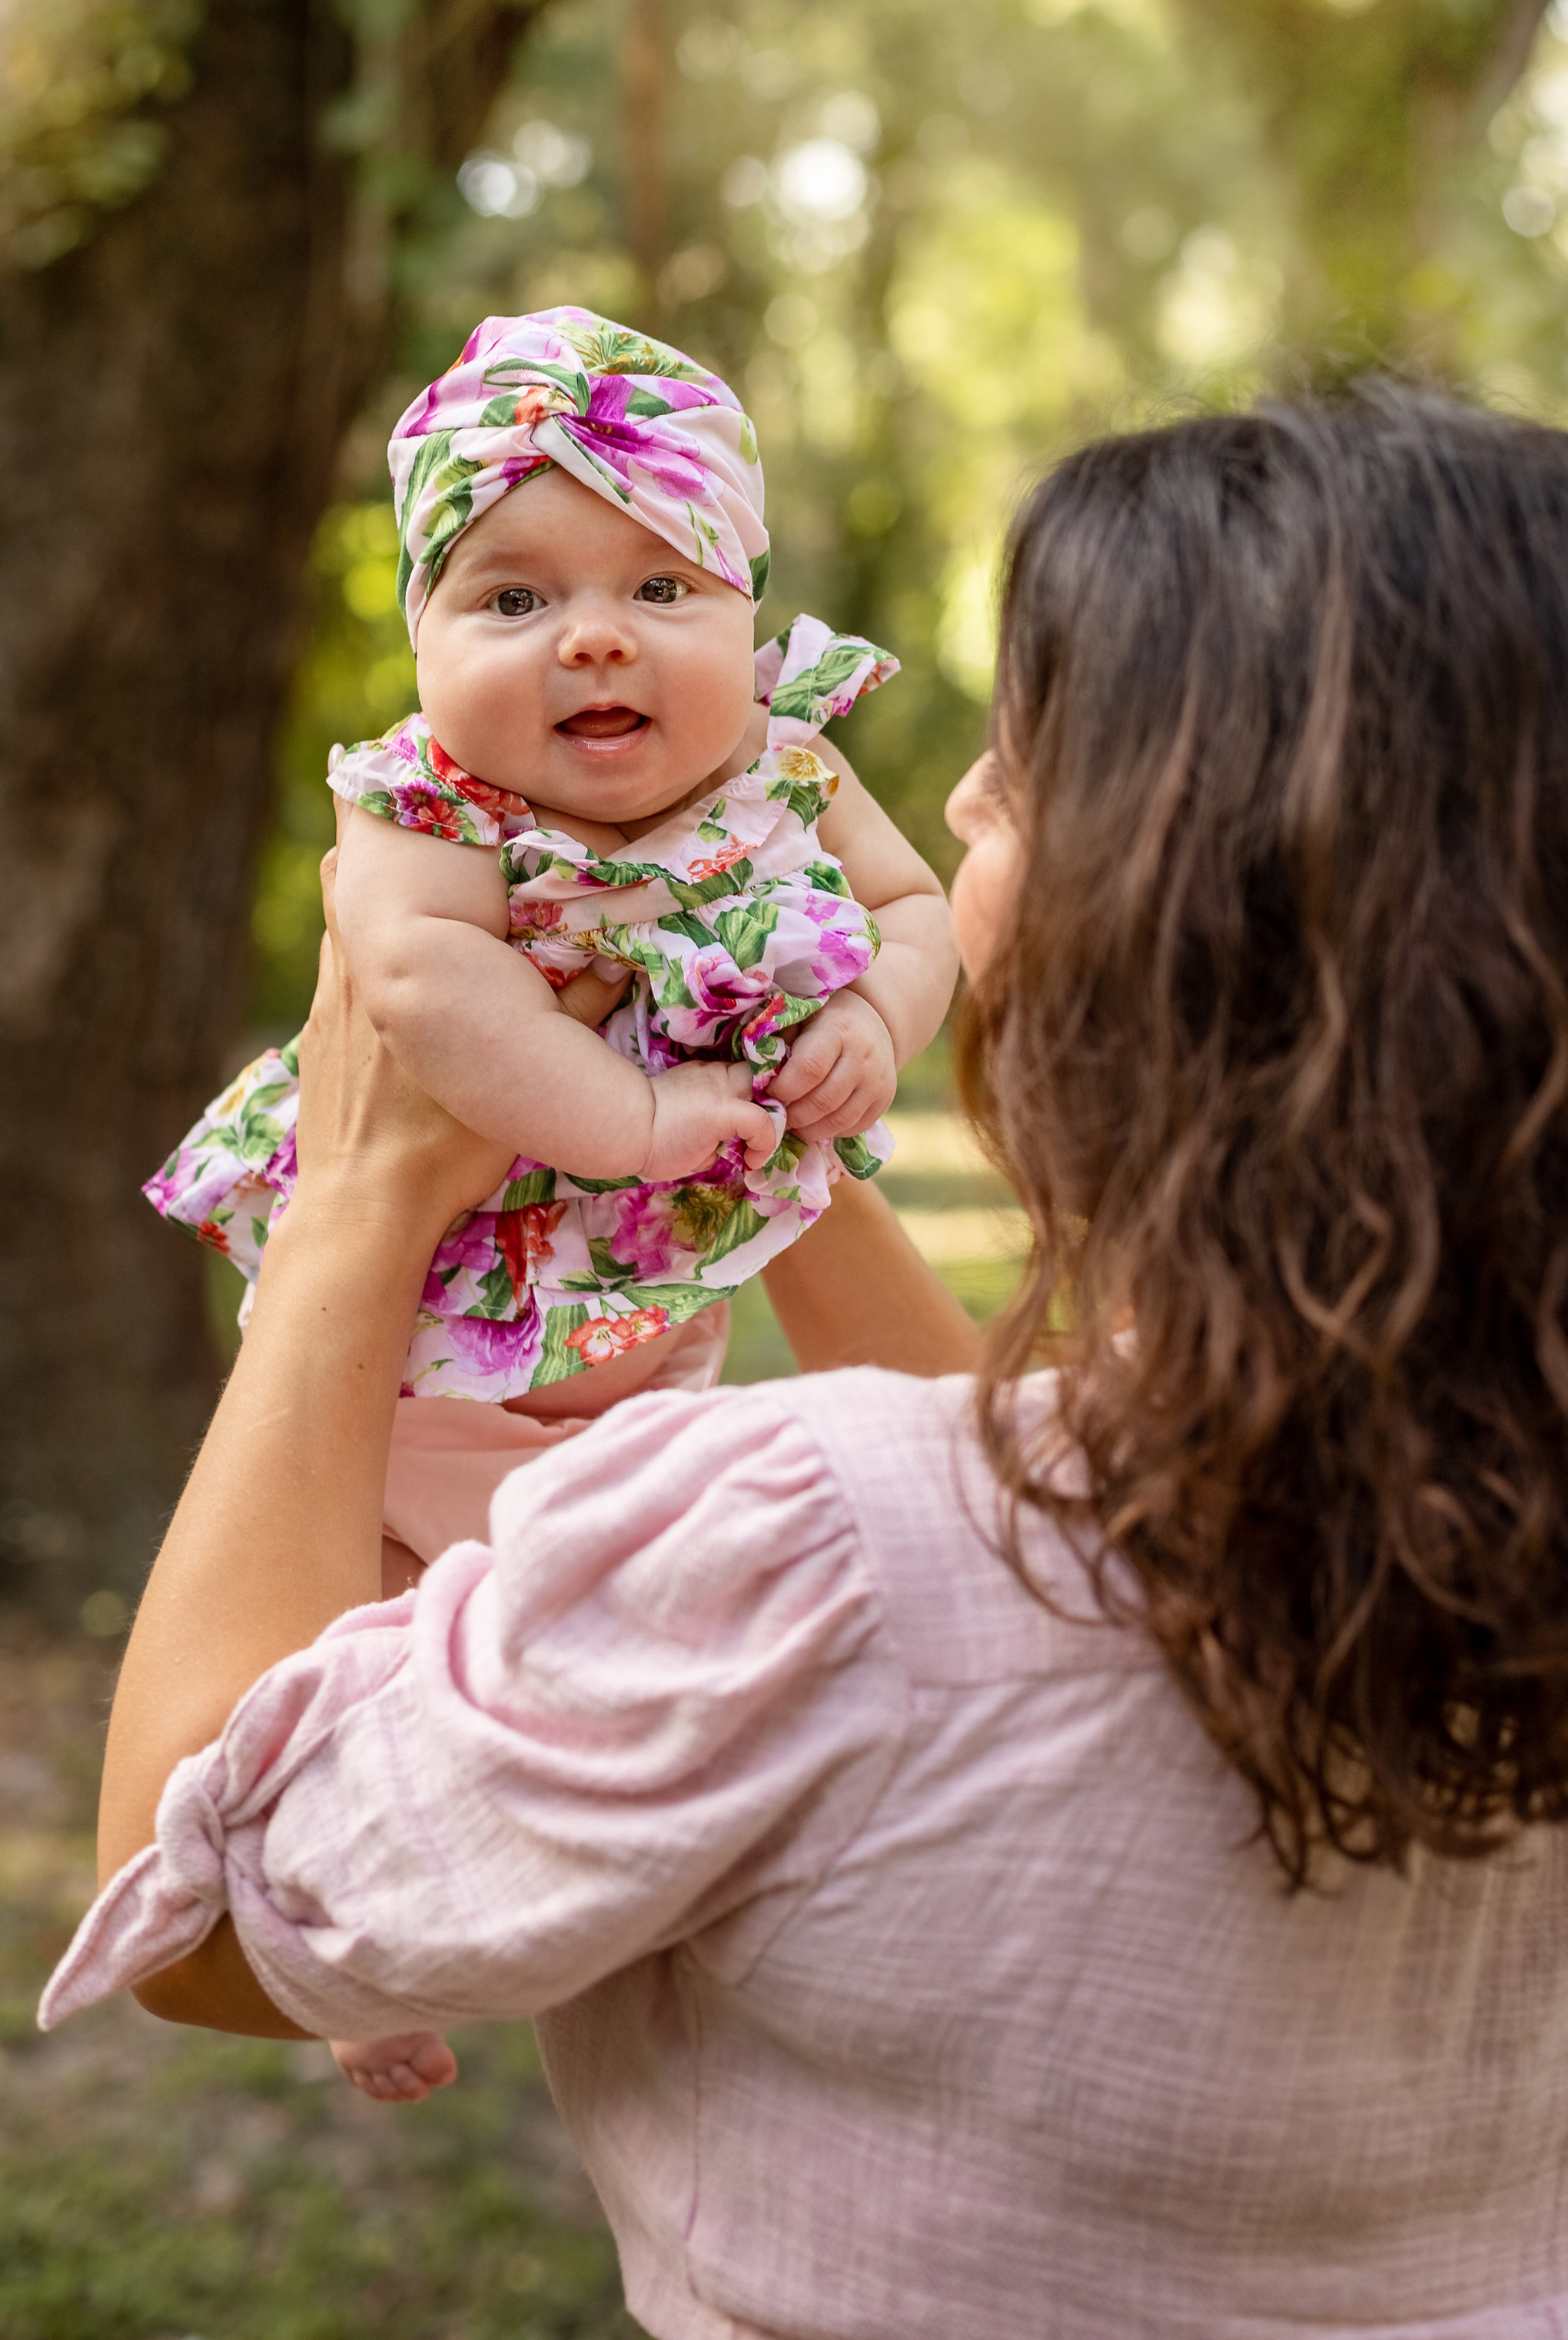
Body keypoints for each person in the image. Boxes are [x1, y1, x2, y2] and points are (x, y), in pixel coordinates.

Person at [44, 388, 1568, 2340]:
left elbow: (203, 1919)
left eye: (1025, 769)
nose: (955, 800)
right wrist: (751, 1127)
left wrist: (360, 1202)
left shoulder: (809, 1557)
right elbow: (1023, 1522)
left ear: (1184, 918)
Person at [138, 302, 957, 2103]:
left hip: (627, 1381)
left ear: (751, 620)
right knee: (342, 1637)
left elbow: (918, 916)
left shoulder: (792, 775)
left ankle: (632, 1895)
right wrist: (636, 1113)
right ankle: (336, 1949)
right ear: (424, 640)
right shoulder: (432, 810)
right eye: (508, 600)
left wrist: (870, 1027)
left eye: (662, 587)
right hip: (406, 1373)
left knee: (609, 1638)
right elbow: (431, 993)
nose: (591, 631)